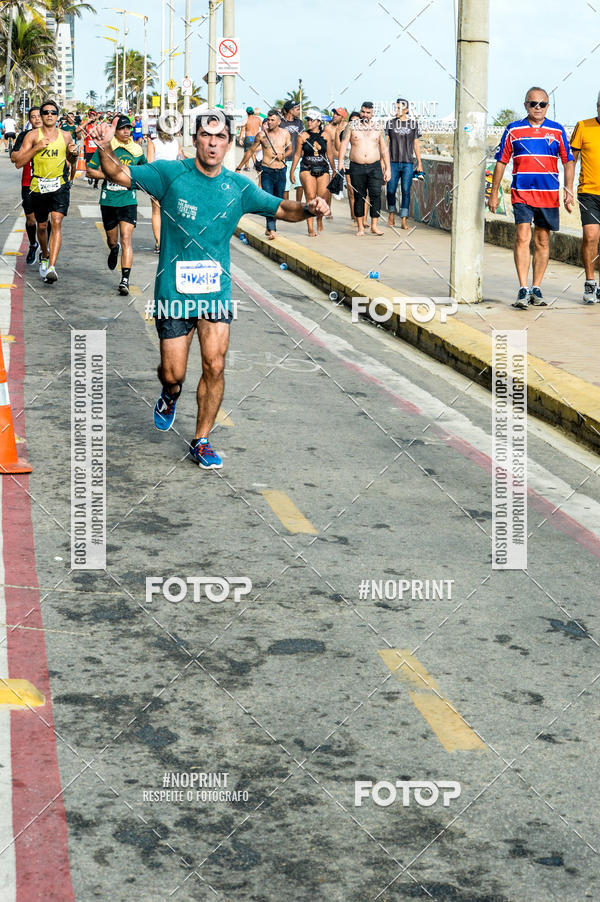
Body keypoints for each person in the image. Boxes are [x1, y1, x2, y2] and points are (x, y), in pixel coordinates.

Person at [90, 110, 329, 470]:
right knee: (174, 374)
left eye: (220, 138)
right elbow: (118, 174)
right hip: (173, 292)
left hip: (215, 291)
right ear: (196, 139)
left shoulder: (238, 187)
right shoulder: (170, 174)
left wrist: (309, 208)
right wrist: (106, 144)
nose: (213, 144)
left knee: (214, 365)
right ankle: (170, 395)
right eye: (206, 136)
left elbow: (282, 208)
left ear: (229, 143)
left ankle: (201, 439)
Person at [490, 86, 574, 309]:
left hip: (548, 196)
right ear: (525, 105)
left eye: (542, 104)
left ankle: (536, 287)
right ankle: (523, 287)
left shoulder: (557, 131)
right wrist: (494, 193)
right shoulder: (513, 130)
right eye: (533, 103)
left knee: (543, 241)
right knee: (522, 237)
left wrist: (568, 189)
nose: (538, 108)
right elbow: (501, 161)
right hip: (521, 193)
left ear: (547, 106)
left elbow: (568, 160)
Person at [17, 99, 78, 283]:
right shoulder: (32, 136)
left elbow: (71, 160)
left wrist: (74, 155)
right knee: (42, 226)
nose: (49, 115)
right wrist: (36, 147)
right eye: (45, 112)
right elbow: (19, 162)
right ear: (41, 116)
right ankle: (44, 253)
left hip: (60, 185)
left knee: (57, 222)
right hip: (38, 186)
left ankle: (51, 266)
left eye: (52, 112)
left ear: (57, 116)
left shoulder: (66, 136)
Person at [86, 115, 147, 295]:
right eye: (122, 128)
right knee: (113, 240)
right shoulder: (106, 147)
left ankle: (125, 280)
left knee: (126, 239)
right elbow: (90, 171)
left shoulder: (136, 150)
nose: (126, 131)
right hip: (109, 200)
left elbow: (145, 170)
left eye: (128, 128)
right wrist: (110, 176)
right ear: (115, 131)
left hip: (128, 201)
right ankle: (114, 249)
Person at [235, 110, 292, 240]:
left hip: (281, 170)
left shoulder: (285, 134)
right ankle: (272, 229)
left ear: (279, 121)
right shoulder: (261, 135)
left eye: (272, 120)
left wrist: (283, 155)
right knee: (268, 200)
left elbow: (290, 149)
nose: (270, 122)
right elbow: (250, 151)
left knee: (278, 200)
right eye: (268, 119)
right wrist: (239, 167)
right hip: (267, 171)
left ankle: (270, 226)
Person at [337, 100, 390, 236]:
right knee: (359, 196)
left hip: (374, 166)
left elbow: (384, 150)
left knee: (376, 195)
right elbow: (343, 144)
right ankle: (360, 227)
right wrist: (340, 162)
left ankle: (374, 225)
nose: (365, 115)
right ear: (360, 112)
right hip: (357, 166)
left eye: (368, 112)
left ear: (372, 113)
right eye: (363, 112)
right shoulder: (351, 126)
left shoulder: (378, 127)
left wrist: (388, 168)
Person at [568, 93, 600, 303]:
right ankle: (590, 284)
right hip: (589, 192)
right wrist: (568, 188)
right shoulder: (583, 126)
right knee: (591, 236)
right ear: (597, 106)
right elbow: (571, 160)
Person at [290, 110, 335, 236]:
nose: (309, 122)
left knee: (322, 198)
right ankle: (310, 227)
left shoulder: (326, 135)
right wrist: (292, 171)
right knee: (310, 197)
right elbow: (297, 154)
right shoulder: (302, 136)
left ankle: (319, 220)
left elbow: (330, 154)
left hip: (323, 167)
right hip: (307, 167)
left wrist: (334, 169)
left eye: (312, 120)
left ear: (318, 122)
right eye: (308, 119)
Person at [11, 106, 44, 265]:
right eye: (33, 116)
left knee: (45, 221)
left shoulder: (53, 135)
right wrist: (31, 150)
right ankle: (33, 244)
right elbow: (14, 157)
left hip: (48, 184)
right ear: (29, 120)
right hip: (28, 183)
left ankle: (45, 250)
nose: (37, 119)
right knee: (31, 220)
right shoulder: (24, 136)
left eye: (40, 116)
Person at [386, 98, 423, 229]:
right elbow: (385, 144)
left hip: (408, 163)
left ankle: (403, 219)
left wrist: (419, 163)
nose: (396, 110)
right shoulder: (390, 123)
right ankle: (391, 212)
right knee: (390, 190)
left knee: (406, 191)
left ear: (406, 110)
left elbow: (416, 143)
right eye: (395, 108)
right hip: (392, 162)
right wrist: (384, 163)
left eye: (398, 108)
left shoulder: (413, 124)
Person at [146, 123, 183, 254]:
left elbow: (149, 163)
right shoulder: (176, 143)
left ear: (157, 129)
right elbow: (180, 160)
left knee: (156, 212)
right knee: (172, 213)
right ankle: (171, 242)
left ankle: (159, 243)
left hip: (157, 180)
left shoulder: (153, 143)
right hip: (174, 181)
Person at [279, 99, 305, 202]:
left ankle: (298, 206)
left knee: (300, 185)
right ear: (290, 110)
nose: (299, 111)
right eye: (297, 109)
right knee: (285, 187)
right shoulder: (280, 123)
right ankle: (287, 207)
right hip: (284, 158)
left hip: (297, 158)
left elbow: (303, 138)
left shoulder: (299, 122)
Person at [82, 109, 99, 188]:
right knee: (88, 164)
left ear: (96, 117)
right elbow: (80, 131)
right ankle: (89, 174)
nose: (91, 117)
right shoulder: (86, 125)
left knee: (98, 167)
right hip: (88, 147)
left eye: (93, 116)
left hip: (97, 148)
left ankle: (96, 183)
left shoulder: (99, 125)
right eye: (90, 115)